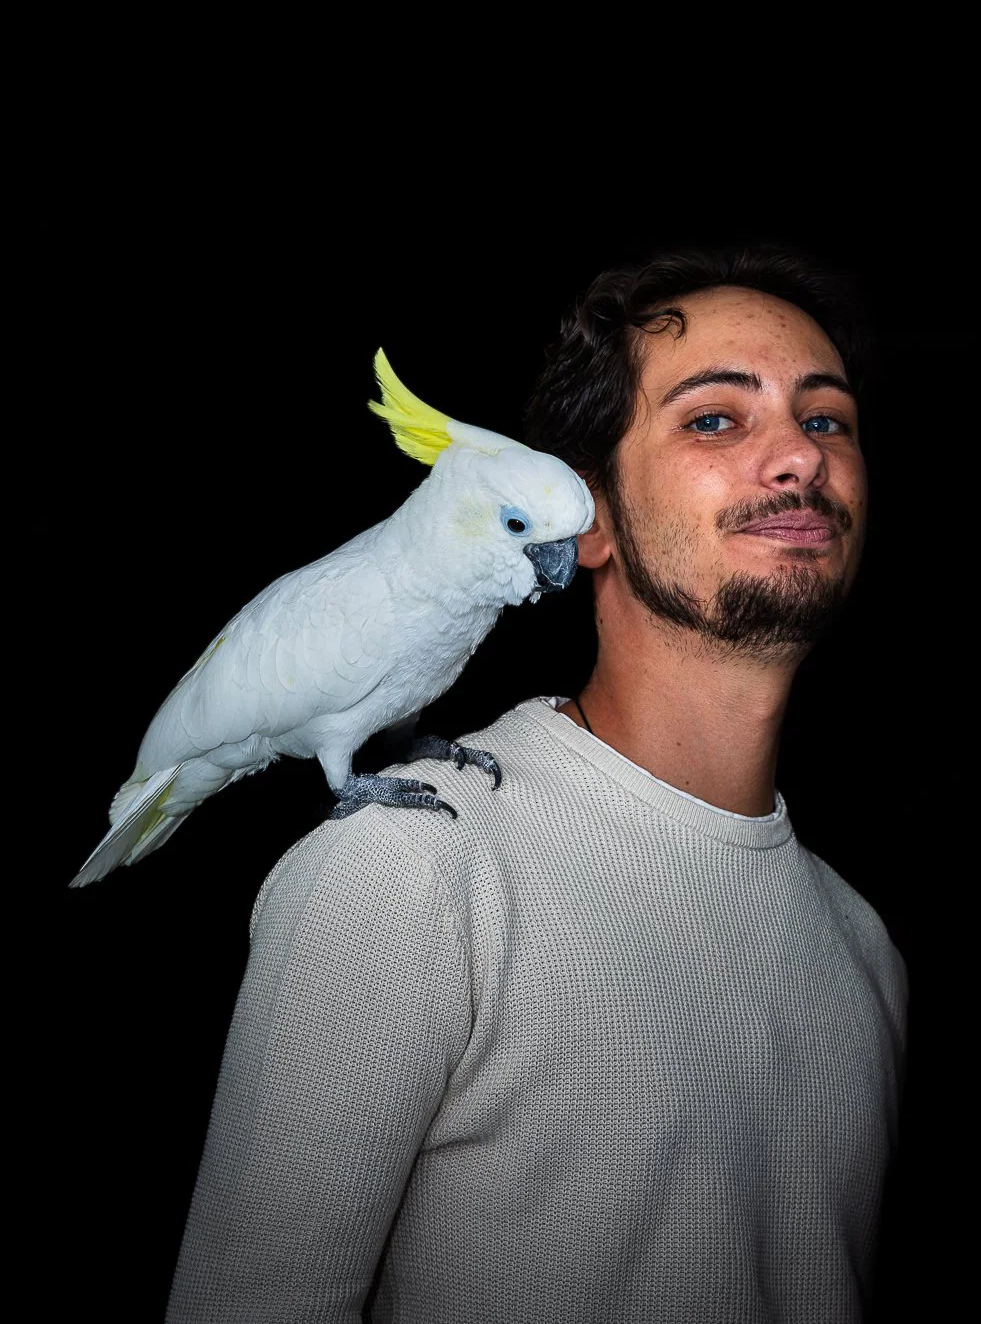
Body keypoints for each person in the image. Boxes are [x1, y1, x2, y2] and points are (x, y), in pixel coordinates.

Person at [165, 242, 907, 1323]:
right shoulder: (408, 875)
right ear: (590, 517)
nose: (797, 458)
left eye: (826, 418)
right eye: (714, 419)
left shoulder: (867, 951)